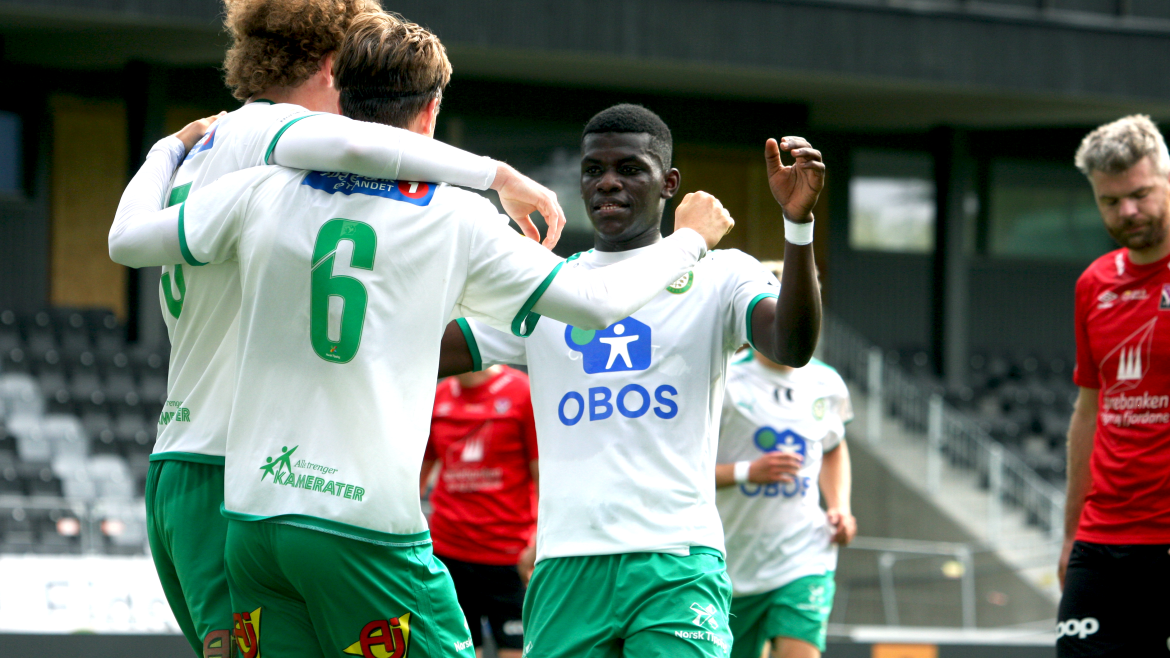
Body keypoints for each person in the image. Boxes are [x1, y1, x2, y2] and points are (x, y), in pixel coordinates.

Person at [109, 14, 735, 657]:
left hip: (253, 521)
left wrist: (166, 151)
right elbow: (598, 303)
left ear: (341, 95)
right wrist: (690, 238)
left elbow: (127, 241)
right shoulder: (454, 214)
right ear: (432, 110)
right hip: (362, 528)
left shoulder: (260, 188)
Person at [439, 103, 825, 658]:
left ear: (669, 183)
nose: (608, 183)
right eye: (593, 170)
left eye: (629, 169)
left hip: (677, 559)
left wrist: (798, 226)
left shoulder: (719, 273)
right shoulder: (548, 287)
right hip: (567, 564)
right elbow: (427, 349)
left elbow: (791, 345)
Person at [1059, 114, 1170, 658]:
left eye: (1140, 194)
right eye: (1110, 201)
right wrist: (1070, 533)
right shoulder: (1093, 285)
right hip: (1102, 540)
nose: (1127, 211)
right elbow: (1088, 412)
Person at [714, 288, 855, 658]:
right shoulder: (724, 381)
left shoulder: (828, 383)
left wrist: (839, 506)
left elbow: (833, 446)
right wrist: (746, 472)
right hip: (731, 565)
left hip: (803, 554)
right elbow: (684, 472)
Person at [422, 364, 539, 658]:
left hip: (510, 556)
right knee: (455, 650)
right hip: (449, 553)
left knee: (515, 650)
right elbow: (418, 474)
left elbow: (544, 477)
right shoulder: (437, 397)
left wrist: (539, 541)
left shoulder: (523, 392)